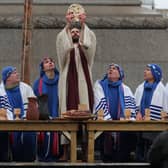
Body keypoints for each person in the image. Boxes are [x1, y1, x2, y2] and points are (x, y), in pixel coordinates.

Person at [56, 3, 96, 160]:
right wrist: (69, 29)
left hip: (83, 79)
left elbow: (90, 49)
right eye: (71, 15)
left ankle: (87, 149)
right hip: (67, 78)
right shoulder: (62, 36)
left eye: (78, 15)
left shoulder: (89, 34)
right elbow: (62, 52)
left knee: (85, 109)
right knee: (67, 109)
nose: (75, 18)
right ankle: (65, 150)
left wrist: (82, 34)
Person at [93, 63, 136, 162]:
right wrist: (108, 120)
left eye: (114, 69)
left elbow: (131, 107)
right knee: (106, 148)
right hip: (105, 124)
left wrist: (126, 118)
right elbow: (99, 102)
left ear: (120, 74)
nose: (110, 70)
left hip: (122, 125)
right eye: (109, 68)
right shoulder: (99, 86)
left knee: (123, 147)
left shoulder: (126, 89)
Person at [0, 66, 37, 161]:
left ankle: (28, 160)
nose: (17, 74)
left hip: (26, 121)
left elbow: (34, 104)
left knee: (29, 134)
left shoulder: (26, 88)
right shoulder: (1, 92)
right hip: (7, 123)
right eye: (14, 72)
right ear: (7, 77)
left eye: (17, 72)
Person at [134, 63, 168, 161]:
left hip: (154, 123)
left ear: (155, 73)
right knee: (139, 146)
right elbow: (136, 103)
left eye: (148, 70)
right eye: (145, 69)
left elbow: (165, 107)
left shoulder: (161, 89)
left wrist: (151, 116)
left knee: (150, 146)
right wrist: (138, 113)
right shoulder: (140, 87)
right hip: (140, 122)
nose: (145, 71)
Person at [33, 57, 60, 161]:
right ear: (43, 68)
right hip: (44, 116)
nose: (50, 63)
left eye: (52, 61)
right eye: (46, 62)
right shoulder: (38, 83)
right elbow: (35, 101)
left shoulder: (62, 81)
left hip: (59, 115)